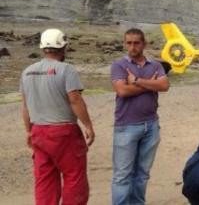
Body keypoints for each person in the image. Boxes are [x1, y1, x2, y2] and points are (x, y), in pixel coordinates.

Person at [20, 28, 95, 205]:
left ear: (43, 48)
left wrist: (29, 131)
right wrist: (88, 126)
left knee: (45, 180)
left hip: (38, 130)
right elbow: (75, 99)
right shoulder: (66, 69)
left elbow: (25, 106)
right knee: (74, 178)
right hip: (63, 131)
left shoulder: (27, 72)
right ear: (63, 47)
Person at [110, 28, 170, 205]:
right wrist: (152, 84)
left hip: (151, 125)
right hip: (126, 125)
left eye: (136, 42)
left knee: (142, 174)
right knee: (123, 174)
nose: (132, 46)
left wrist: (137, 81)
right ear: (124, 44)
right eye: (129, 43)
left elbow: (165, 85)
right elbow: (122, 91)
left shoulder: (156, 65)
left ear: (144, 44)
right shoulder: (119, 65)